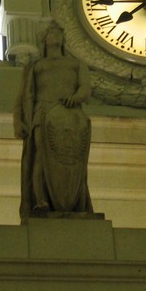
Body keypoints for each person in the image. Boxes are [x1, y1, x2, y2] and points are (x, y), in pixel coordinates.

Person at [13, 23, 96, 221]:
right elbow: (23, 96)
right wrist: (19, 121)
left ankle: (76, 201)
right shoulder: (35, 67)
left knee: (74, 161)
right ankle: (41, 200)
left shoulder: (75, 65)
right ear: (44, 39)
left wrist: (76, 97)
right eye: (51, 33)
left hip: (70, 117)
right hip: (42, 114)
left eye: (58, 33)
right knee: (41, 156)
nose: (55, 36)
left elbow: (85, 88)